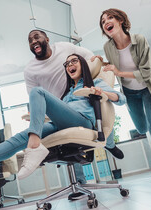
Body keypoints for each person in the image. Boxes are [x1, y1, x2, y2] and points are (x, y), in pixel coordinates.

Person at [0, 54, 126, 187]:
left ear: (83, 64)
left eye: (73, 61)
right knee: (17, 139)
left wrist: (102, 93)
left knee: (38, 92)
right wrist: (38, 118)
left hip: (82, 121)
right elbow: (60, 111)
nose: (69, 65)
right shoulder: (67, 94)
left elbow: (121, 98)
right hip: (62, 122)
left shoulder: (95, 83)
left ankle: (34, 145)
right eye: (66, 64)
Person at [25, 29, 124, 200]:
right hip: (59, 102)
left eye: (37, 37)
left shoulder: (63, 48)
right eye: (29, 39)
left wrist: (94, 62)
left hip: (77, 93)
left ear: (47, 39)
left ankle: (110, 144)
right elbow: (32, 93)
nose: (33, 41)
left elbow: (85, 54)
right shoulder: (31, 69)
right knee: (67, 138)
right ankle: (79, 183)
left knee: (97, 110)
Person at [96, 8, 151, 184]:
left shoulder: (140, 40)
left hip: (148, 90)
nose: (106, 21)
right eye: (103, 21)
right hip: (130, 93)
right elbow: (113, 67)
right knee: (142, 129)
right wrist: (102, 63)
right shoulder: (108, 47)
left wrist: (119, 72)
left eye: (110, 17)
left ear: (120, 21)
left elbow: (146, 72)